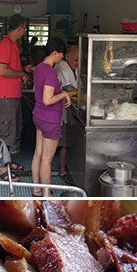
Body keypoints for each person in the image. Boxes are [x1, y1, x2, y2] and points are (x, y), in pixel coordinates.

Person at [30, 37, 71, 196]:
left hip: (38, 115)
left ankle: (36, 189)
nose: (63, 57)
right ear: (55, 53)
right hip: (50, 119)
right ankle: (47, 195)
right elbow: (48, 100)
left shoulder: (39, 68)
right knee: (47, 159)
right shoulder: (51, 73)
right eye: (62, 54)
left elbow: (37, 91)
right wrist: (63, 94)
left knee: (38, 154)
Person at [0, 14, 30, 181]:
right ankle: (1, 168)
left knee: (11, 131)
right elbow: (2, 71)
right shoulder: (5, 45)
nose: (24, 32)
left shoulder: (12, 45)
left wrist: (24, 69)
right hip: (5, 95)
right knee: (4, 131)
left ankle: (7, 162)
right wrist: (22, 73)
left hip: (13, 95)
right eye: (24, 29)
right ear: (20, 28)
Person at [54, 42, 79, 184]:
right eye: (75, 59)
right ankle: (63, 170)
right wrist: (85, 94)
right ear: (68, 56)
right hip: (63, 109)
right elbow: (68, 87)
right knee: (64, 141)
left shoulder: (73, 67)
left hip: (71, 107)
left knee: (69, 140)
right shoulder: (62, 66)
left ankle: (70, 167)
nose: (77, 62)